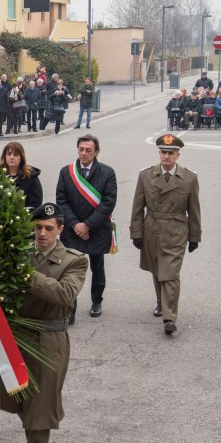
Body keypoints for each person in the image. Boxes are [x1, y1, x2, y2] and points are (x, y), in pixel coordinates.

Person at [0, 202, 88, 443]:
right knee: (22, 402)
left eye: (49, 228)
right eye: (38, 227)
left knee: (40, 410)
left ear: (60, 230)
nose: (42, 233)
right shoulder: (21, 252)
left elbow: (64, 294)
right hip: (19, 338)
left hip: (49, 341)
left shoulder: (74, 261)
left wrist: (26, 275)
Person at [129, 134, 202, 336]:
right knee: (157, 269)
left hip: (176, 230)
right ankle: (161, 301)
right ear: (159, 153)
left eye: (171, 153)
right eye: (163, 152)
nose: (166, 157)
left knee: (170, 273)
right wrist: (136, 232)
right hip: (151, 228)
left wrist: (194, 236)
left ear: (178, 155)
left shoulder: (189, 178)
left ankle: (169, 317)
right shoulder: (146, 175)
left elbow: (194, 209)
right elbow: (137, 207)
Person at [56, 134, 117, 319]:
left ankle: (96, 300)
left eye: (88, 150)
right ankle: (70, 307)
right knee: (69, 268)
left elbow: (108, 202)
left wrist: (88, 225)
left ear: (96, 152)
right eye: (81, 149)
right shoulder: (67, 172)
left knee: (97, 267)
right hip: (72, 229)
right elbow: (61, 200)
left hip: (96, 229)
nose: (84, 153)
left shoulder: (107, 173)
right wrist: (75, 225)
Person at [0, 141, 41, 210]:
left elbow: (36, 204)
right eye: (9, 154)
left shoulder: (31, 176)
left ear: (21, 158)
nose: (12, 157)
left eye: (15, 155)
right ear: (4, 157)